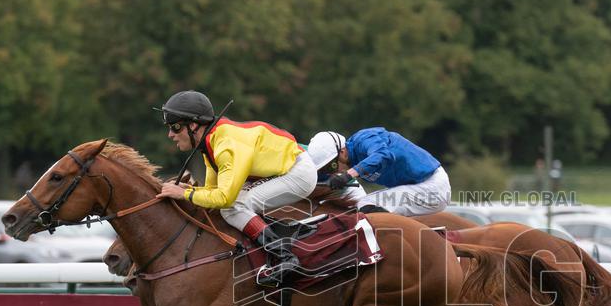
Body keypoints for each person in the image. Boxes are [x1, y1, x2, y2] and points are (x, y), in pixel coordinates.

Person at [154, 90, 317, 286]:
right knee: (230, 205)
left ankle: (286, 258)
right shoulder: (210, 143)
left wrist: (185, 193)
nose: (170, 134)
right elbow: (211, 192)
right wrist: (187, 191)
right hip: (284, 169)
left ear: (194, 125)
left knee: (234, 207)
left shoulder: (226, 145)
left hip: (297, 173)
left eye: (176, 127)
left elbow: (224, 199)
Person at [310, 127, 450, 216]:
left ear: (342, 152)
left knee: (366, 204)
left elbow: (383, 155)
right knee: (362, 203)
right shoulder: (349, 157)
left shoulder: (364, 138)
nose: (331, 172)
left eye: (331, 167)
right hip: (418, 188)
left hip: (433, 187)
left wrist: (348, 175)